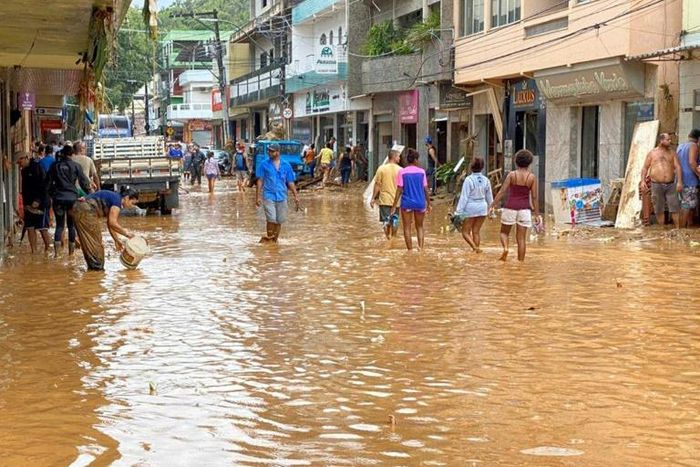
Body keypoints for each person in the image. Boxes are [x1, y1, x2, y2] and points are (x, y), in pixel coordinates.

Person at [489, 149, 541, 262]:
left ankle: (506, 249)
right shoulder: (531, 177)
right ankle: (520, 264)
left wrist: (492, 205)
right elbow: (535, 197)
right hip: (525, 211)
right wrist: (537, 214)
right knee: (521, 239)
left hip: (510, 208)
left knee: (503, 233)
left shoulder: (511, 175)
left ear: (516, 161)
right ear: (529, 163)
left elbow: (502, 192)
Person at [71, 188, 138, 271]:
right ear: (127, 198)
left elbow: (110, 224)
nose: (132, 206)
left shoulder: (114, 197)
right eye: (132, 203)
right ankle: (96, 273)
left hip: (79, 208)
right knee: (95, 245)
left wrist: (116, 240)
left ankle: (92, 272)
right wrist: (127, 234)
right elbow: (112, 223)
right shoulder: (117, 202)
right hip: (86, 210)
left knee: (90, 243)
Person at [46, 145, 92, 256]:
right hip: (72, 199)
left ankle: (57, 254)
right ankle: (71, 255)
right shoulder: (76, 166)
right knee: (71, 225)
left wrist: (53, 195)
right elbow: (84, 182)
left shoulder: (55, 166)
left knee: (60, 225)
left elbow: (47, 183)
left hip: (58, 199)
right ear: (72, 154)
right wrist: (89, 195)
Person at [255, 143, 300, 243]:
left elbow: (290, 182)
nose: (269, 153)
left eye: (272, 151)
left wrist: (296, 196)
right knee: (271, 218)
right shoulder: (264, 164)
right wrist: (257, 197)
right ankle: (269, 238)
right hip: (268, 195)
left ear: (278, 152)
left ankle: (274, 241)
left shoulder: (286, 165)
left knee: (280, 220)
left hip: (282, 195)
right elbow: (260, 181)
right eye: (269, 151)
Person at [390, 148, 431, 251]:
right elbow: (425, 189)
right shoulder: (422, 172)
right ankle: (420, 249)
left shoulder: (402, 172)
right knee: (420, 227)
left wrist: (394, 206)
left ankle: (410, 251)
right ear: (416, 160)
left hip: (407, 203)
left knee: (407, 228)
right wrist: (429, 203)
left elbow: (399, 190)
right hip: (420, 203)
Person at [640, 133, 682, 228]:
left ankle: (678, 228)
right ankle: (662, 228)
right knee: (659, 208)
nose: (670, 141)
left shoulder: (672, 153)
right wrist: (642, 181)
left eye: (670, 139)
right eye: (668, 140)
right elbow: (645, 168)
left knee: (674, 207)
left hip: (671, 184)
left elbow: (678, 167)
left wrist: (679, 182)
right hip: (656, 184)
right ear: (661, 140)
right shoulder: (652, 153)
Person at [453, 157, 493, 253]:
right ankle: (476, 252)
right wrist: (491, 211)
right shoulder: (486, 180)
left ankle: (475, 248)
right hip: (483, 208)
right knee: (476, 231)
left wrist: (458, 212)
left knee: (465, 232)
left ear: (471, 167)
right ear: (482, 167)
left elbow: (464, 197)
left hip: (471, 208)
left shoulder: (468, 180)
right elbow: (490, 197)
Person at [17, 153, 51, 253]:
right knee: (30, 227)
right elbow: (25, 188)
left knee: (42, 228)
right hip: (28, 204)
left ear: (26, 158)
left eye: (20, 161)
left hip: (41, 203)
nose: (20, 164)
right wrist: (24, 205)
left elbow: (45, 185)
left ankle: (48, 250)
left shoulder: (38, 167)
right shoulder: (23, 171)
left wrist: (38, 200)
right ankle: (34, 252)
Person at [370, 148, 402, 239]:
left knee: (386, 220)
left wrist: (373, 198)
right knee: (394, 220)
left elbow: (377, 185)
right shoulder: (401, 170)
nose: (400, 158)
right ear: (394, 157)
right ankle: (394, 237)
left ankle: (388, 237)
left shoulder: (381, 168)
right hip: (396, 201)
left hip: (384, 200)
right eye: (399, 156)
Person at [676, 129, 700, 227]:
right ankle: (681, 229)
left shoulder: (680, 146)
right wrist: (698, 174)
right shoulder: (694, 146)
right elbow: (692, 162)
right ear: (698, 138)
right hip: (690, 180)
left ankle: (686, 226)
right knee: (686, 205)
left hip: (680, 179)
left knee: (686, 204)